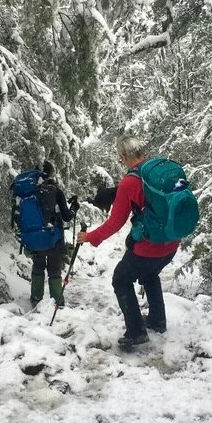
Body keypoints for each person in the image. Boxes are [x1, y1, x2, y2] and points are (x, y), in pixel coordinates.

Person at [77, 135, 179, 350]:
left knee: (121, 279)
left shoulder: (130, 182)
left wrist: (91, 237)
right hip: (171, 242)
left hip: (149, 246)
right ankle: (157, 320)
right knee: (150, 274)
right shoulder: (162, 171)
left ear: (123, 157)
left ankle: (136, 332)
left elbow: (115, 222)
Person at [30, 160, 79, 308]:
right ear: (51, 174)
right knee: (54, 269)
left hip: (35, 237)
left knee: (38, 267)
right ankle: (57, 301)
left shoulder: (30, 191)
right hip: (53, 237)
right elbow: (66, 217)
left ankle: (36, 298)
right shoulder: (56, 191)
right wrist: (74, 207)